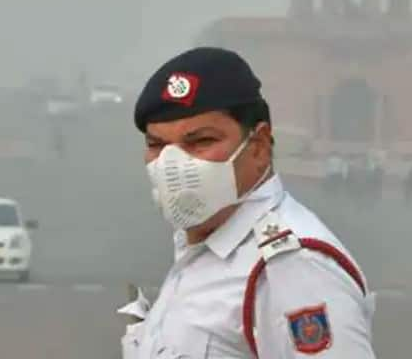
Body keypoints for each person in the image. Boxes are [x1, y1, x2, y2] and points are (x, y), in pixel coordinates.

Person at [119, 47, 375, 358]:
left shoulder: (293, 269)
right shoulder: (204, 244)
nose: (172, 164)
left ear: (258, 147)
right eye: (157, 145)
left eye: (201, 141)